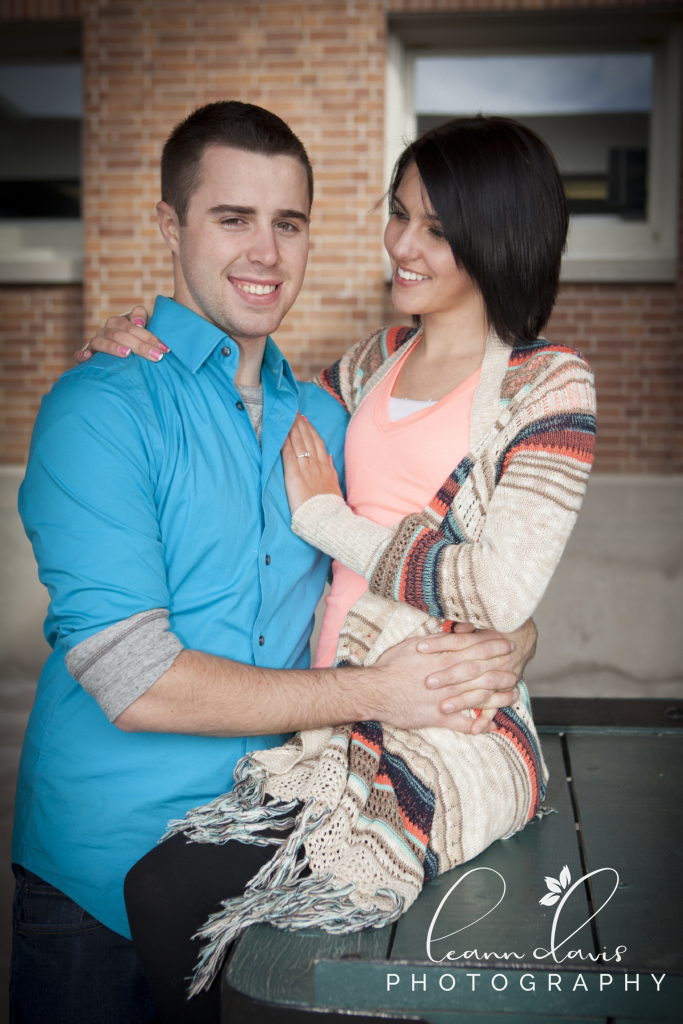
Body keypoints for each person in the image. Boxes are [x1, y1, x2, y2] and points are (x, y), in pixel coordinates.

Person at [12, 102, 533, 1024]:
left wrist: (508, 638)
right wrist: (376, 692)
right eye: (231, 218)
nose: (265, 251)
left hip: (272, 861)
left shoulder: (333, 413)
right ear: (170, 226)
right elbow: (137, 682)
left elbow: (445, 566)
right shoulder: (102, 408)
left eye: (286, 223)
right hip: (100, 878)